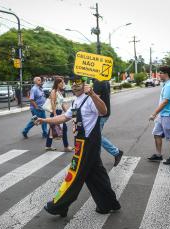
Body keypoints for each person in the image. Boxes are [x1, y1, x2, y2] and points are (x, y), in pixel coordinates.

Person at [35, 81, 121, 217]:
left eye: (79, 83)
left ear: (85, 85)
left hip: (88, 142)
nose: (75, 85)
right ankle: (108, 203)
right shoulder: (76, 101)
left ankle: (59, 205)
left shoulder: (89, 99)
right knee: (96, 174)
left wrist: (92, 94)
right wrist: (44, 120)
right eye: (73, 83)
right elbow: (64, 117)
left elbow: (104, 111)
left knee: (75, 174)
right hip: (80, 142)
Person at [148, 65, 170, 165]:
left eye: (160, 73)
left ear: (166, 74)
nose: (159, 74)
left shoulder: (169, 86)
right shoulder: (166, 84)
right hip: (163, 115)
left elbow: (165, 102)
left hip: (169, 115)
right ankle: (158, 155)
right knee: (157, 133)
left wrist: (154, 113)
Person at [93, 79, 123, 166]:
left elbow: (95, 99)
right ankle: (96, 158)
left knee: (96, 135)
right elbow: (108, 95)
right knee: (96, 136)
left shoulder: (98, 82)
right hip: (104, 112)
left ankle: (116, 152)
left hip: (100, 114)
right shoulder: (105, 81)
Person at [45, 78, 73, 152]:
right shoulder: (53, 91)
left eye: (63, 83)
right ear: (58, 83)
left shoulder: (59, 92)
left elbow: (62, 104)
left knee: (52, 130)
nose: (63, 84)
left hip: (59, 113)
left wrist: (67, 112)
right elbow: (53, 103)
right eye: (62, 83)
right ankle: (66, 146)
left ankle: (48, 146)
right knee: (64, 129)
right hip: (55, 113)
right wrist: (55, 114)